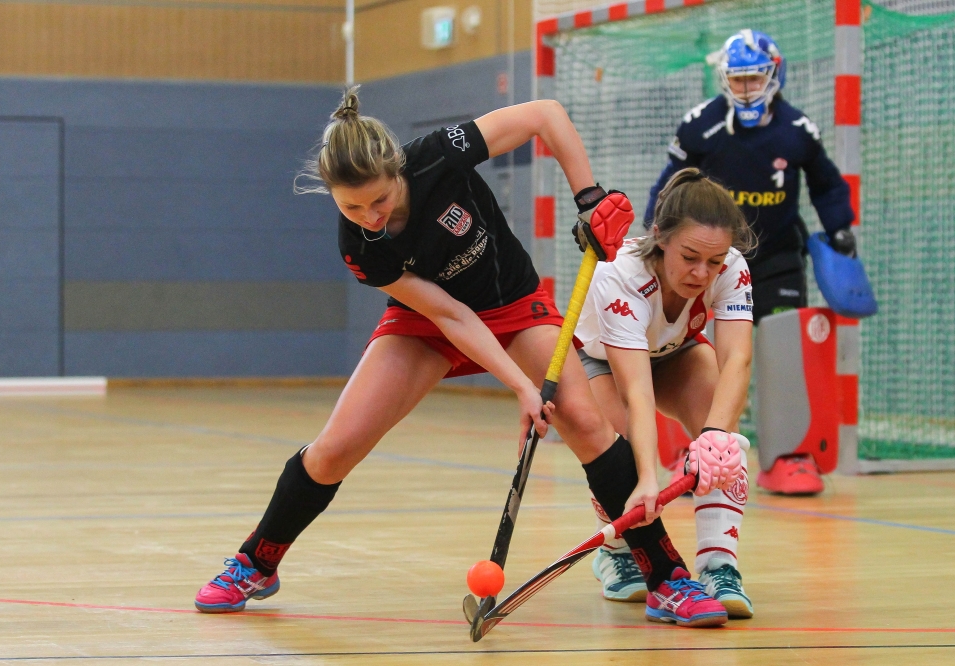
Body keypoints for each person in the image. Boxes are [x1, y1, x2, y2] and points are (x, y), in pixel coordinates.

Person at [193, 87, 731, 628]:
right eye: (351, 206)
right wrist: (521, 387)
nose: (370, 216)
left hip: (514, 303)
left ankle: (667, 578)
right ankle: (256, 561)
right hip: (429, 322)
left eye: (379, 200)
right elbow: (451, 317)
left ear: (398, 171)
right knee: (336, 447)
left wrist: (587, 197)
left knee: (585, 422)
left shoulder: (439, 153)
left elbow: (545, 115)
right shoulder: (360, 246)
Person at [643, 29, 857, 496]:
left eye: (754, 78)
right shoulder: (699, 125)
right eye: (737, 80)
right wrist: (655, 235)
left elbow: (825, 183)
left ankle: (787, 456)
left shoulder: (798, 131)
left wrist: (840, 226)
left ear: (773, 75)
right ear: (725, 80)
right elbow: (669, 184)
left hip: (777, 258)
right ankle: (690, 453)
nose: (745, 89)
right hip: (709, 267)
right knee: (689, 353)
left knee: (785, 353)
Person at [578, 168, 756, 618]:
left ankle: (720, 567)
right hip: (602, 361)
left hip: (676, 352)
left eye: (713, 262)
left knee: (725, 441)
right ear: (659, 236)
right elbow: (637, 390)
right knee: (621, 457)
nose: (702, 273)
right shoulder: (618, 275)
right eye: (690, 256)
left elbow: (737, 358)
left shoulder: (732, 266)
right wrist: (648, 479)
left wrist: (715, 434)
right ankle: (616, 554)